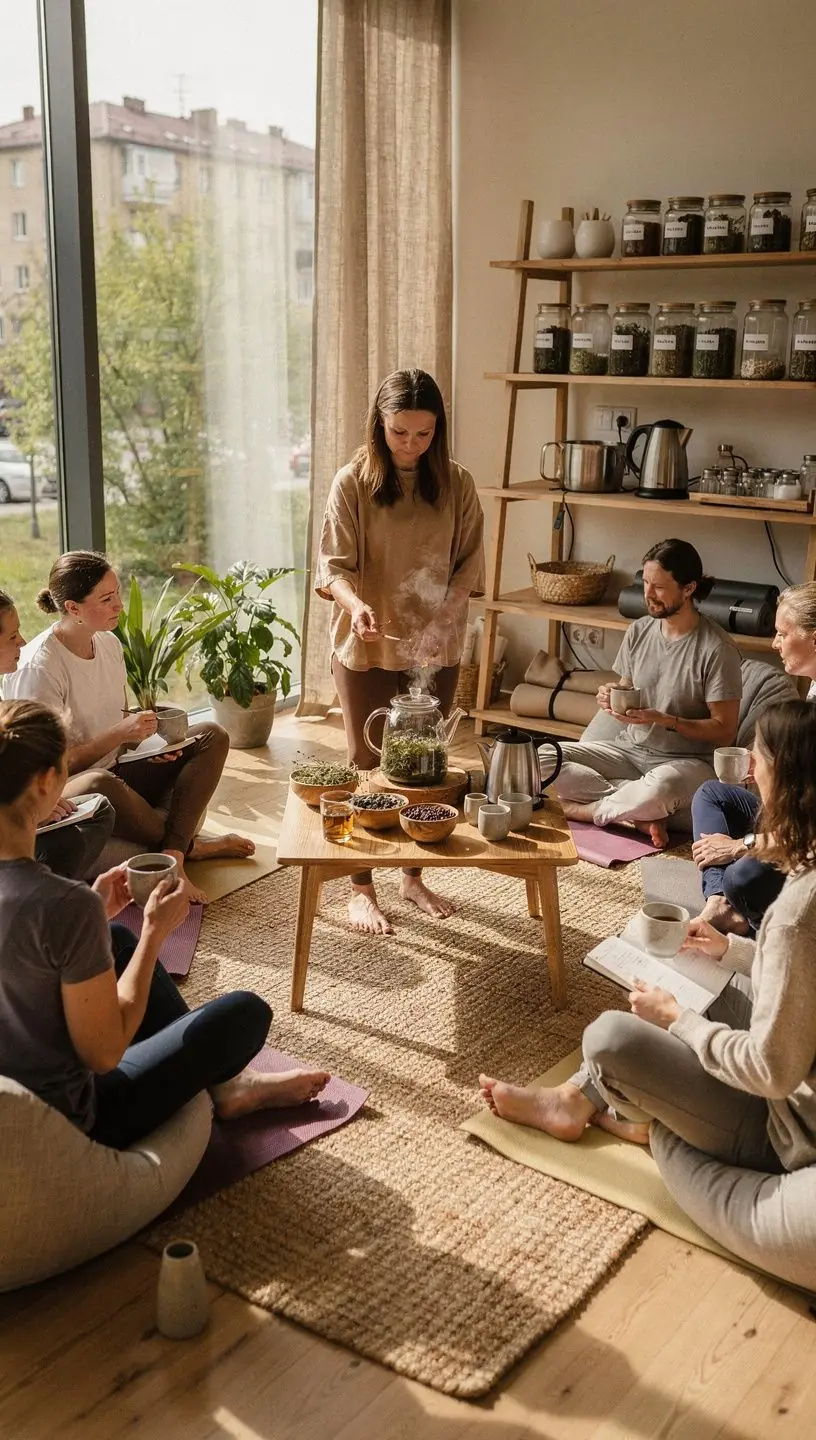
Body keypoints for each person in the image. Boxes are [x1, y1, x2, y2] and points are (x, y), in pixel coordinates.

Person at [480, 699, 816, 1195]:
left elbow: (771, 1072)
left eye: (757, 759)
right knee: (679, 974)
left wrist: (676, 1019)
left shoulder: (793, 917)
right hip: (796, 1061)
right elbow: (800, 981)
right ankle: (579, 1100)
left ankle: (615, 1112)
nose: (746, 770)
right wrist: (729, 951)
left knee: (612, 1035)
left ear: (784, 777)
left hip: (787, 1128)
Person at [0, 698, 329, 1151]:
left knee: (113, 934)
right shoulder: (62, 904)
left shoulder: (66, 905)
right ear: (44, 782)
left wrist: (94, 916)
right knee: (244, 1013)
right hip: (74, 1120)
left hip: (13, 1087)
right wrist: (154, 935)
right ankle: (231, 1087)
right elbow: (105, 1052)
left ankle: (229, 1088)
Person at [315, 368, 485, 935]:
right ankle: (361, 888)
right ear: (378, 427)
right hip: (365, 641)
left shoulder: (457, 484)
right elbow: (332, 570)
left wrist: (442, 618)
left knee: (422, 770)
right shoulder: (351, 483)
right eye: (399, 433)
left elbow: (468, 567)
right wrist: (355, 604)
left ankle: (411, 877)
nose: (411, 445)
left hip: (435, 643)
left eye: (423, 434)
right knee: (366, 767)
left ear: (438, 430)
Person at [5, 552, 254, 903]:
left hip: (118, 767)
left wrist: (151, 747)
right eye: (106, 599)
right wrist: (121, 734)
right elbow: (50, 767)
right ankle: (186, 846)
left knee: (212, 734)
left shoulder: (109, 643)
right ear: (73, 608)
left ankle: (174, 853)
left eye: (117, 593)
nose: (119, 605)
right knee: (102, 782)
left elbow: (116, 721)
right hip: (73, 783)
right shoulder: (39, 668)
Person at [552, 539, 742, 849]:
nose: (648, 594)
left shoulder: (717, 649)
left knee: (658, 789)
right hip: (629, 751)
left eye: (659, 587)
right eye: (646, 583)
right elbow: (628, 686)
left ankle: (583, 810)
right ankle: (636, 811)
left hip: (685, 763)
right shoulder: (639, 631)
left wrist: (669, 721)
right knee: (540, 758)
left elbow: (725, 731)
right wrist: (611, 693)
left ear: (689, 588)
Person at [692, 582, 816, 935]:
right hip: (794, 818)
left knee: (742, 875)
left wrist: (739, 846)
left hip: (807, 838)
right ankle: (717, 901)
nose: (774, 643)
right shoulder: (812, 688)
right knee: (711, 794)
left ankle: (754, 923)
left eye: (782, 633)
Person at [0, 588, 115, 879]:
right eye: (12, 637)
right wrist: (29, 811)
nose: (22, 643)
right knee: (74, 834)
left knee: (98, 811)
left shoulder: (110, 646)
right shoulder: (41, 666)